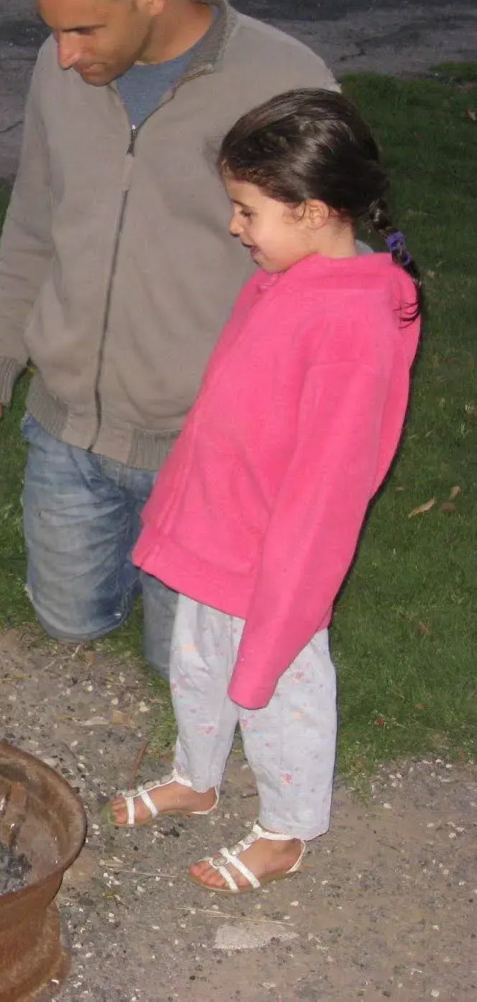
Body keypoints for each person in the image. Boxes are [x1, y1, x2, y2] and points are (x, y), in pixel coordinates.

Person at [0, 0, 336, 678]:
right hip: (69, 426)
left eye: (85, 29)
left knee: (182, 670)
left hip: (200, 444)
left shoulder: (280, 81)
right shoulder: (58, 67)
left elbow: (328, 280)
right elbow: (32, 219)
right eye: (54, 31)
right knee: (69, 626)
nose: (64, 54)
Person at [107, 89, 421, 892]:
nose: (236, 227)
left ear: (314, 210)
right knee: (199, 666)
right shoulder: (287, 278)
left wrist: (286, 607)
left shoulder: (351, 329)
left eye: (247, 210)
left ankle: (287, 828)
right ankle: (197, 775)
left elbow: (324, 494)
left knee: (281, 695)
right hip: (221, 534)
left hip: (273, 562)